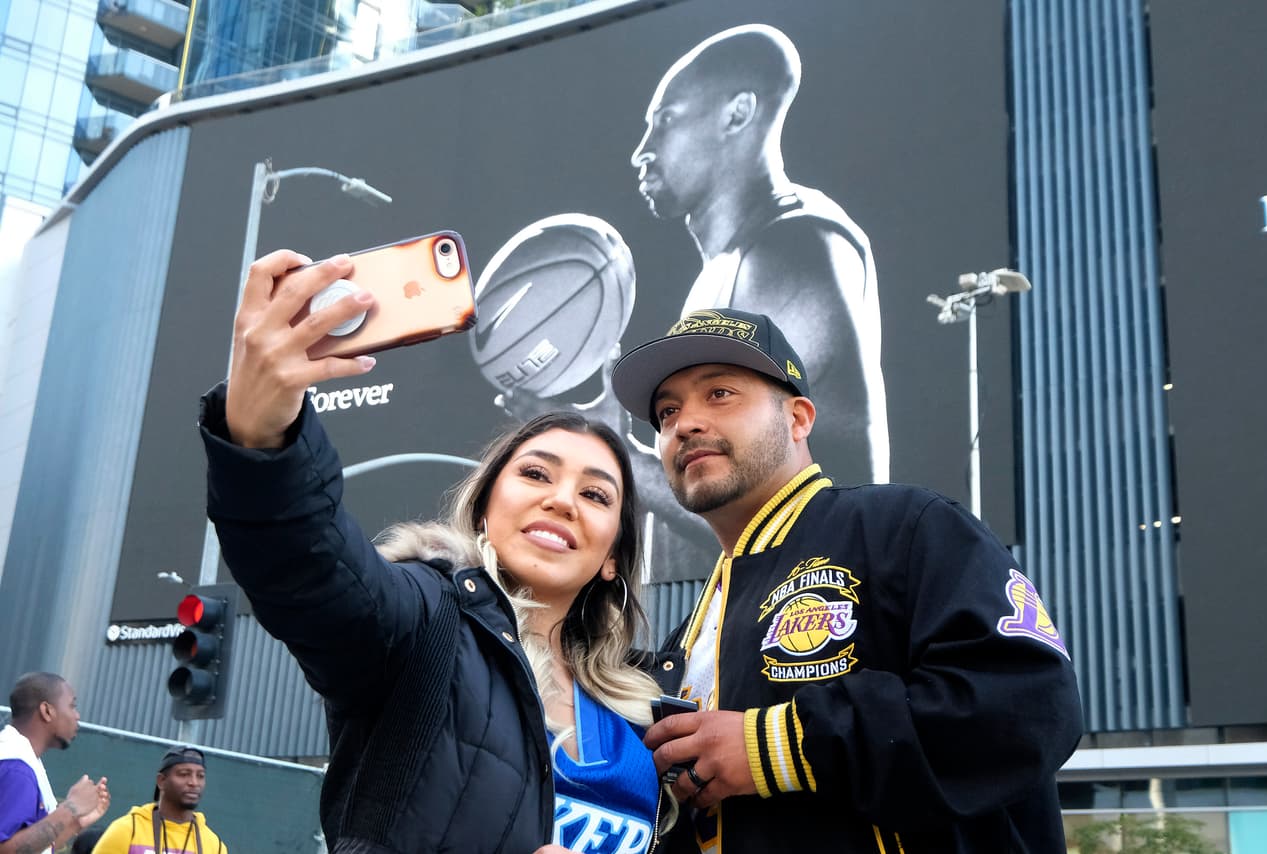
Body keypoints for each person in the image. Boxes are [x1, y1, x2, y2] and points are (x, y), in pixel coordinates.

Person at [198, 250, 665, 853]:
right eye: (535, 474)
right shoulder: (422, 618)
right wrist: (262, 431)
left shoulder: (642, 709)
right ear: (484, 510)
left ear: (611, 557)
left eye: (596, 494)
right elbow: (310, 564)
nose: (563, 500)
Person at [610, 308, 1084, 852]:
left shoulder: (908, 526)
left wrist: (776, 748)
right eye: (667, 412)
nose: (685, 423)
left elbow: (1027, 705)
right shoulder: (691, 633)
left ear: (798, 418)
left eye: (719, 393)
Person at [630, 24, 889, 491]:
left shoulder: (789, 248)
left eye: (665, 121)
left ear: (737, 114)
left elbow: (753, 492)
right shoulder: (732, 260)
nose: (641, 152)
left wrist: (624, 463)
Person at [0, 672, 110, 854]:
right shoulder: (16, 767)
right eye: (72, 706)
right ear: (47, 711)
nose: (77, 715)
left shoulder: (22, 759)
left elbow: (32, 848)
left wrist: (74, 823)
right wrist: (71, 808)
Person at [92, 745, 227, 854]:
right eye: (184, 774)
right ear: (161, 781)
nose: (194, 782)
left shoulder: (214, 845)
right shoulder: (127, 830)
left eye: (200, 776)